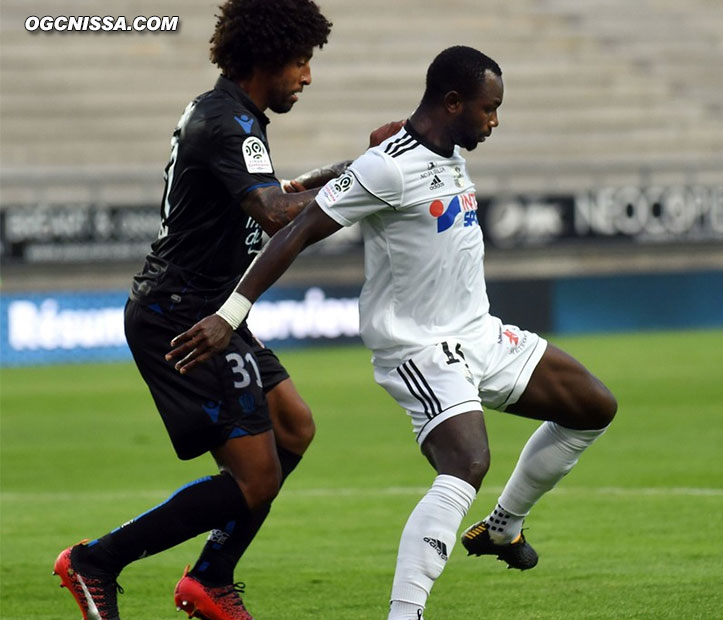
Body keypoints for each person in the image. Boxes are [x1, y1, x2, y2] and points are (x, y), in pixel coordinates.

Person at [167, 45, 617, 620]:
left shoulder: (443, 148)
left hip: (480, 333)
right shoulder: (386, 166)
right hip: (422, 347)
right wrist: (231, 313)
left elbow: (407, 149)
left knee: (593, 407)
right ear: (453, 103)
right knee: (466, 464)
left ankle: (504, 527)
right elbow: (296, 231)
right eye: (488, 109)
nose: (494, 121)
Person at [53, 2, 402, 619]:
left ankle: (210, 577)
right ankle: (97, 561)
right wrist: (366, 190)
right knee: (255, 478)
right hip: (181, 314)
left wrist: (363, 167)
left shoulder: (231, 114)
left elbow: (280, 190)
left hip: (208, 306)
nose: (307, 77)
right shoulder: (229, 123)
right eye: (301, 62)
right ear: (266, 58)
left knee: (294, 425)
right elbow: (274, 215)